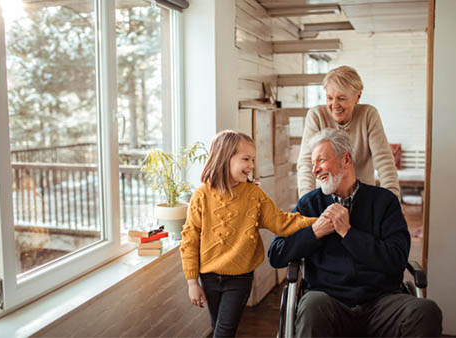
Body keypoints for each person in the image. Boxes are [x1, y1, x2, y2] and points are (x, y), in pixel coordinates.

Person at [268, 128, 442, 337]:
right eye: (313, 163)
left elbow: (396, 259)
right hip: (328, 302)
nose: (315, 170)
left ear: (346, 159)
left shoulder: (384, 202)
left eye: (321, 161)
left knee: (426, 311)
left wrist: (348, 233)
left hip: (381, 302)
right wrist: (315, 231)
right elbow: (276, 254)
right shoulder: (310, 205)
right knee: (312, 304)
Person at [179, 130, 332, 338]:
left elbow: (281, 222)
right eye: (246, 159)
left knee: (223, 331)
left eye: (253, 159)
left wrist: (319, 222)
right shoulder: (201, 196)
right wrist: (192, 282)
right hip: (209, 277)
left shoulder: (254, 195)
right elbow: (189, 240)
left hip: (240, 278)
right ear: (225, 158)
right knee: (219, 328)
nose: (251, 165)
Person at [297, 65, 400, 199]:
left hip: (362, 197)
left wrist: (393, 203)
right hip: (325, 196)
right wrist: (306, 203)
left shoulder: (368, 115)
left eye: (341, 98)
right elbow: (306, 163)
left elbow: (384, 162)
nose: (334, 105)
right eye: (329, 98)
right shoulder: (316, 116)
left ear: (357, 97)